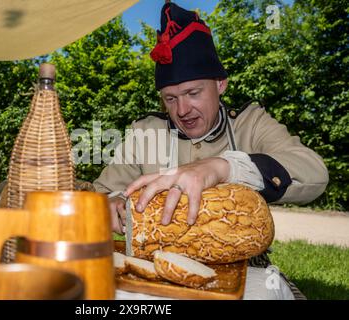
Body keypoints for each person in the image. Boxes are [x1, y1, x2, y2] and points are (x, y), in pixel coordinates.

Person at [93, 2, 329, 299]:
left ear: (220, 83)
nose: (182, 110)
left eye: (193, 93)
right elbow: (100, 196)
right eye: (170, 98)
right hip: (158, 274)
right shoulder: (145, 132)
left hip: (242, 271)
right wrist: (111, 205)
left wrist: (224, 167)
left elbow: (315, 173)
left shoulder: (251, 123)